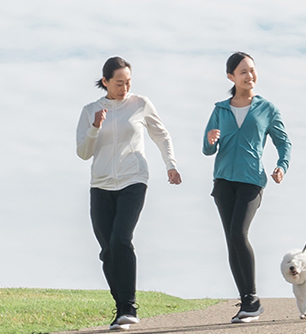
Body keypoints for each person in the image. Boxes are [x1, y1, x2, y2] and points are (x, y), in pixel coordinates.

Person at [77, 56, 182, 330]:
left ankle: (129, 306)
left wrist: (170, 165)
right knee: (108, 251)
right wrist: (94, 127)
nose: (124, 88)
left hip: (133, 180)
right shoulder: (90, 110)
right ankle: (120, 306)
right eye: (119, 83)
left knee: (121, 239)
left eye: (128, 82)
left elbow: (161, 135)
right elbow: (83, 152)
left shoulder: (140, 104)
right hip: (100, 185)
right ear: (105, 82)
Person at [203, 52, 292, 324]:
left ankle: (252, 299)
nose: (249, 75)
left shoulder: (267, 109)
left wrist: (282, 166)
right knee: (232, 239)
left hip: (251, 181)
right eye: (243, 72)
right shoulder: (220, 109)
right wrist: (210, 139)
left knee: (238, 233)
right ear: (231, 77)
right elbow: (207, 150)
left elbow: (283, 142)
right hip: (223, 181)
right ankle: (247, 303)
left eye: (252, 70)